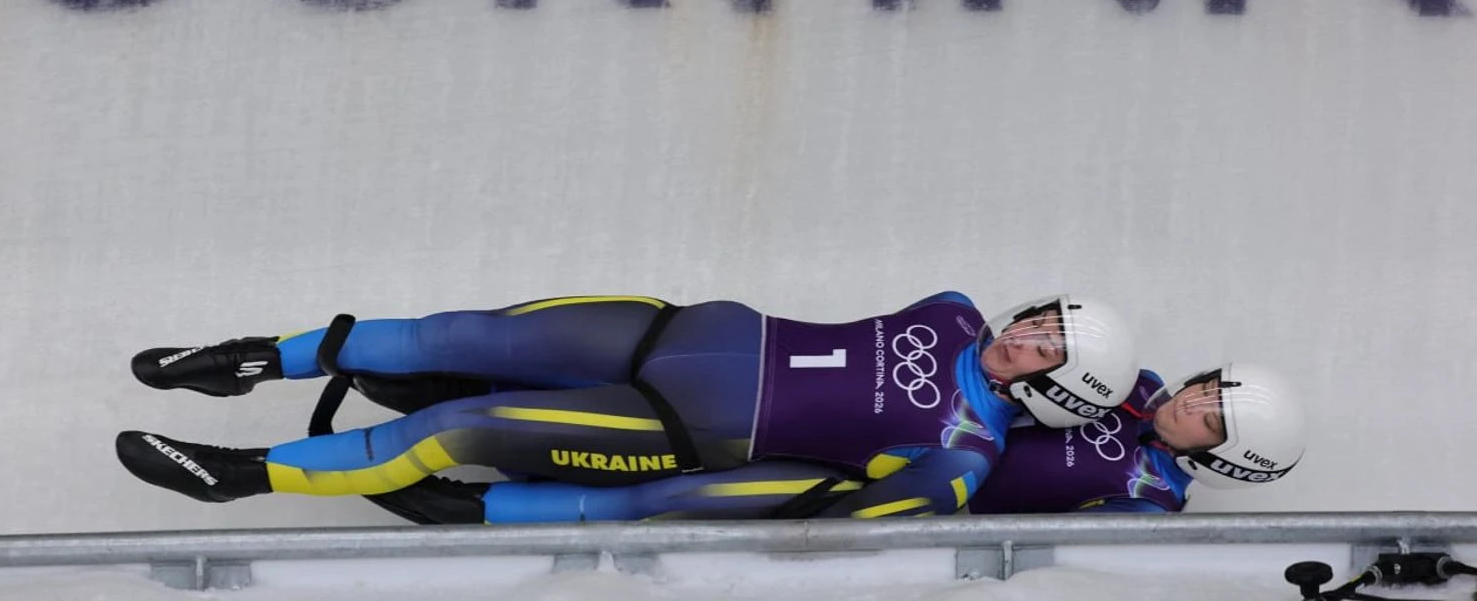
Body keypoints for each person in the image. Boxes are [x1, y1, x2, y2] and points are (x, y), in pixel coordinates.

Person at [116, 291, 1138, 519]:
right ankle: (253, 357)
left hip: (673, 428)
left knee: (453, 430)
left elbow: (817, 509)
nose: (1025, 333)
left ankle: (243, 475)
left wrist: (501, 512)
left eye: (1047, 345)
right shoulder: (954, 310)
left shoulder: (958, 456)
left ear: (1055, 386)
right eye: (1040, 317)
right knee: (452, 335)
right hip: (667, 327)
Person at [293, 361, 1305, 523]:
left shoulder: (1152, 503)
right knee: (656, 408)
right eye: (1209, 386)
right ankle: (450, 394)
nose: (1191, 401)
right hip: (871, 428)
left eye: (1210, 415)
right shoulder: (1120, 383)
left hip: (885, 494)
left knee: (674, 495)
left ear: (1222, 456)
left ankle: (470, 506)